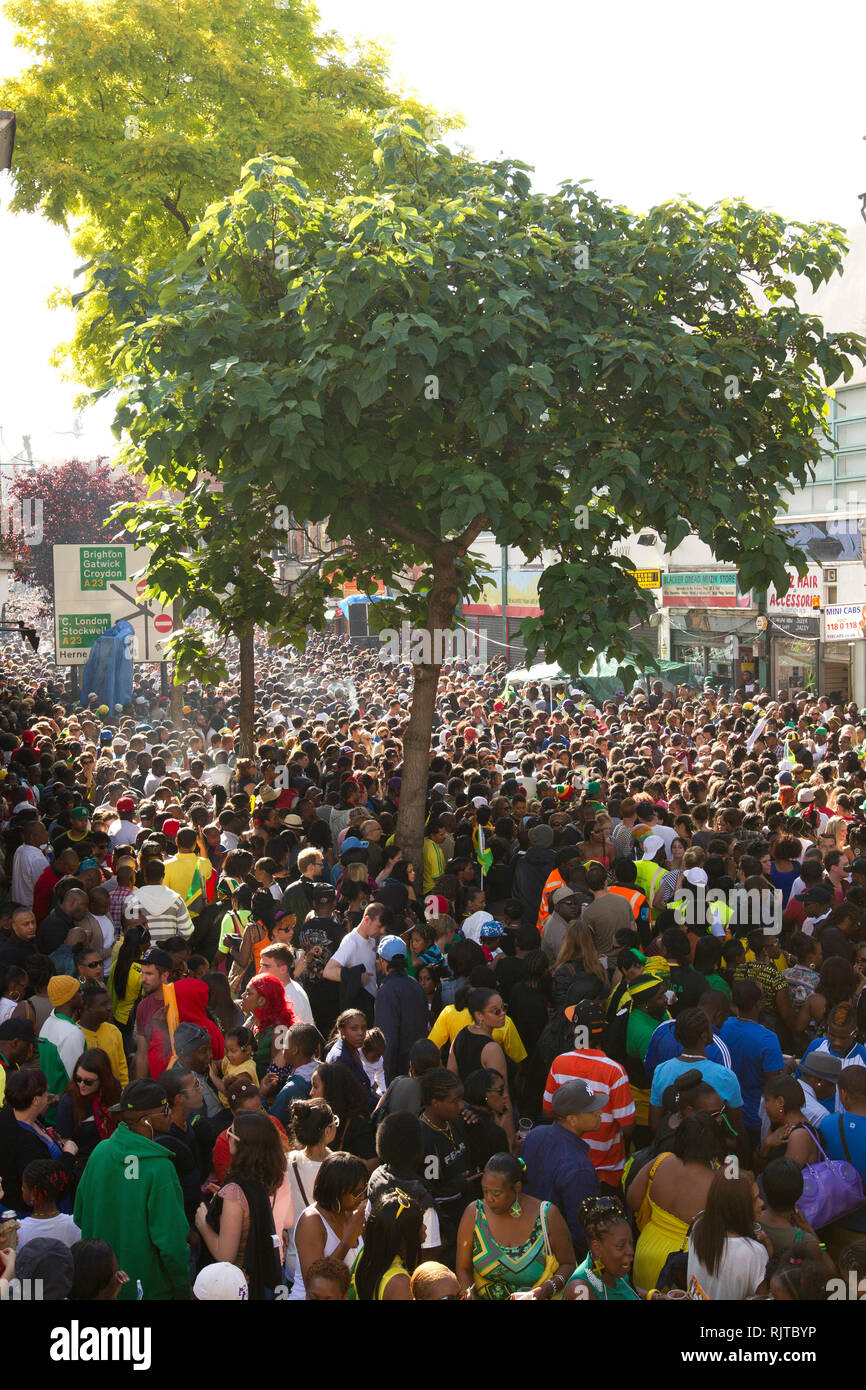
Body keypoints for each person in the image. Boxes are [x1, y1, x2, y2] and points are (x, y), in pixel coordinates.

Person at [73, 1079, 190, 1300]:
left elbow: (79, 1216)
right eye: (165, 1110)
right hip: (149, 1292)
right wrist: (183, 1290)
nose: (169, 1114)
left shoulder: (100, 1152)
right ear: (146, 1120)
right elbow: (172, 1244)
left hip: (101, 1289)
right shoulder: (160, 1169)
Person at [627, 1111, 728, 1290]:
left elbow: (632, 1201)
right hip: (684, 1264)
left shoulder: (661, 1161)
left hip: (645, 1250)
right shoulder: (719, 1183)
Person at [455, 1153, 576, 1300]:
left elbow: (568, 1264)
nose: (489, 1198)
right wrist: (468, 1292)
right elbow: (463, 1269)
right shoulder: (474, 1213)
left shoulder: (547, 1215)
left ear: (517, 1187)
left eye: (496, 1193)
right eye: (484, 1190)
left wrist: (546, 1289)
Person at [195, 1110, 284, 1300]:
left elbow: (225, 1255)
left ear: (243, 1145)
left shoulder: (235, 1192)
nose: (227, 1136)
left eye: (231, 1132)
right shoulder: (261, 1178)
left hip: (232, 1288)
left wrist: (202, 1224)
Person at [521, 1078, 603, 1259]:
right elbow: (582, 1231)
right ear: (572, 1119)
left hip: (527, 1246)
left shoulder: (535, 1134)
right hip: (560, 1260)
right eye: (591, 1110)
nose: (599, 1112)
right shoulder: (579, 1167)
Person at [289, 1150, 368, 1300]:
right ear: (335, 1192)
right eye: (356, 1193)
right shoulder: (311, 1221)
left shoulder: (353, 1214)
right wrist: (347, 1241)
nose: (362, 1197)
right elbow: (314, 1284)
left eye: (364, 1190)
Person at [0, 1069, 78, 1213]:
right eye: (44, 1093)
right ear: (35, 1100)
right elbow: (47, 1183)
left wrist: (42, 1108)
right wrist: (68, 1154)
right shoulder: (26, 1143)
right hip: (35, 1213)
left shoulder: (9, 1113)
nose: (48, 1095)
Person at [687, 1169, 769, 1300]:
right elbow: (763, 1296)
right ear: (737, 1208)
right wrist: (767, 1254)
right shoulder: (753, 1253)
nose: (761, 1203)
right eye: (754, 1200)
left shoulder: (699, 1227)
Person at [283, 1098, 338, 1279]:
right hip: (333, 1259)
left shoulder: (286, 1162)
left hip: (295, 1259)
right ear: (327, 1131)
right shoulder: (340, 1167)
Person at [347, 1188, 423, 1300]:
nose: (424, 1228)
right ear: (404, 1236)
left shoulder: (366, 1255)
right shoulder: (400, 1284)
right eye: (419, 1224)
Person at [374, 934, 428, 1085]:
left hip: (397, 1074)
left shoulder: (386, 991)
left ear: (384, 961)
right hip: (418, 1067)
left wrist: (384, 1080)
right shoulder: (416, 985)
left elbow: (387, 1041)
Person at [564, 1195, 641, 1301]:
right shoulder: (580, 1289)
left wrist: (655, 1295)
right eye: (621, 1246)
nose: (630, 1251)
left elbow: (624, 1289)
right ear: (597, 1248)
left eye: (630, 1243)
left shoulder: (614, 1269)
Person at [54, 1048, 120, 1169]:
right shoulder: (69, 1102)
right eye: (78, 1079)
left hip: (114, 1157)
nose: (81, 1085)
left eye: (88, 1082)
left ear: (103, 1079)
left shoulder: (113, 1089)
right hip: (84, 1165)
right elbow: (63, 1141)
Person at [37, 975, 84, 1118]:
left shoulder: (48, 1024)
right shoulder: (71, 1033)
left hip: (48, 1110)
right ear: (69, 998)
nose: (82, 994)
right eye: (79, 991)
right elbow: (79, 1081)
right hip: (64, 1114)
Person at [16, 1158, 81, 1249]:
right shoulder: (75, 1225)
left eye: (24, 1187)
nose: (22, 1189)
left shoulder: (18, 1232)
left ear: (33, 1194)